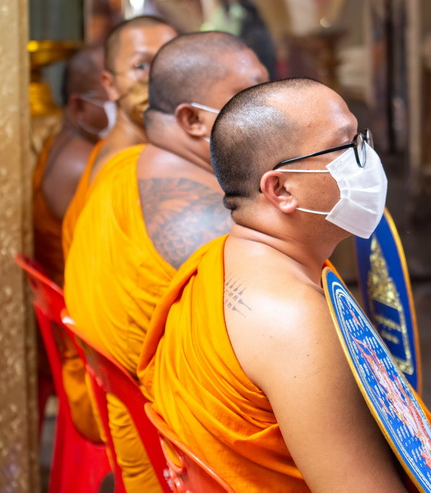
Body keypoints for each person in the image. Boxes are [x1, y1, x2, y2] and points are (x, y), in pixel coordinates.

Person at [139, 78, 431, 492]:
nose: (367, 160)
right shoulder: (293, 322)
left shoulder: (222, 257)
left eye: (361, 138)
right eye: (346, 146)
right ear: (281, 189)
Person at [64, 32, 268, 492]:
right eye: (249, 97)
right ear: (193, 119)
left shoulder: (122, 167)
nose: (272, 110)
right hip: (190, 469)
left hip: (136, 448)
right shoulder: (215, 226)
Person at [61, 16, 177, 257]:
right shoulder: (131, 167)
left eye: (172, 62)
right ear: (110, 85)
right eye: (141, 66)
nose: (161, 77)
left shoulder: (145, 152)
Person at [32, 45, 110, 287]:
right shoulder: (83, 163)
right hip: (74, 297)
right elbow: (109, 254)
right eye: (114, 97)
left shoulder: (63, 139)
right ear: (79, 106)